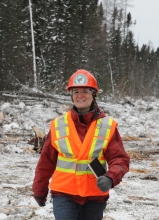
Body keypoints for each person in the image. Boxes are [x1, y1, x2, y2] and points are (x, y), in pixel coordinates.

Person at [32, 69, 130, 220]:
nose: (80, 95)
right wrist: (39, 189)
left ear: (93, 94)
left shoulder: (107, 126)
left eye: (85, 91)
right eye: (76, 91)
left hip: (95, 196)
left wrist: (111, 177)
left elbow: (120, 159)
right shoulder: (58, 124)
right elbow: (46, 161)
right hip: (63, 194)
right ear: (71, 96)